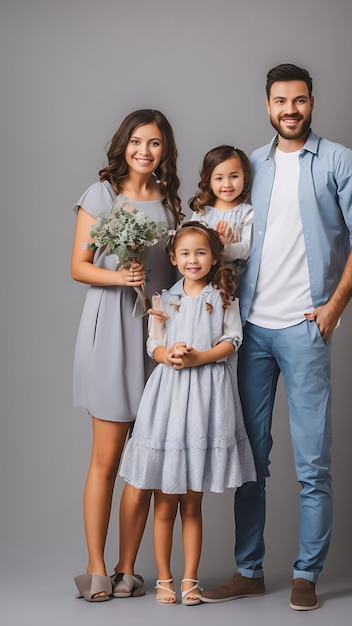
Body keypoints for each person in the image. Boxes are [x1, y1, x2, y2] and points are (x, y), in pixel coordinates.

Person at [200, 63, 352, 610]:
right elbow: (224, 238)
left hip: (306, 330)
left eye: (299, 101)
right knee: (250, 456)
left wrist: (333, 310)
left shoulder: (341, 162)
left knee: (312, 463)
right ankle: (249, 570)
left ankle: (306, 574)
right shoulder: (250, 165)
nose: (290, 110)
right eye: (280, 101)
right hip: (251, 331)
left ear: (312, 103)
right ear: (268, 105)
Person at [71, 109, 182, 602]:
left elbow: (178, 274)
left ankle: (127, 567)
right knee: (107, 458)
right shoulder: (101, 195)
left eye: (155, 143)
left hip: (156, 334)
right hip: (111, 329)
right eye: (138, 141)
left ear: (165, 150)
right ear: (124, 144)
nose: (145, 151)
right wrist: (121, 276)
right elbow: (78, 266)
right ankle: (95, 567)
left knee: (147, 458)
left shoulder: (171, 203)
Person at [119, 222, 257, 605]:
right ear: (173, 258)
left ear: (214, 257)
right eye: (185, 253)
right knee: (165, 500)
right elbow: (154, 345)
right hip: (169, 398)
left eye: (200, 252)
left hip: (206, 399)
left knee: (192, 502)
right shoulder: (163, 300)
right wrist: (170, 354)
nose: (192, 260)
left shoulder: (225, 296)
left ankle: (190, 579)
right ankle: (165, 578)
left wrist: (199, 357)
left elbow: (232, 340)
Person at [189, 145, 253, 279]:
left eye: (234, 176)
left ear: (244, 177)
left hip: (231, 282)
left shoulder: (247, 213)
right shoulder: (202, 212)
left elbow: (247, 249)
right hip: (200, 279)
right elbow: (190, 241)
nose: (227, 184)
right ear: (209, 180)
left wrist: (223, 247)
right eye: (219, 178)